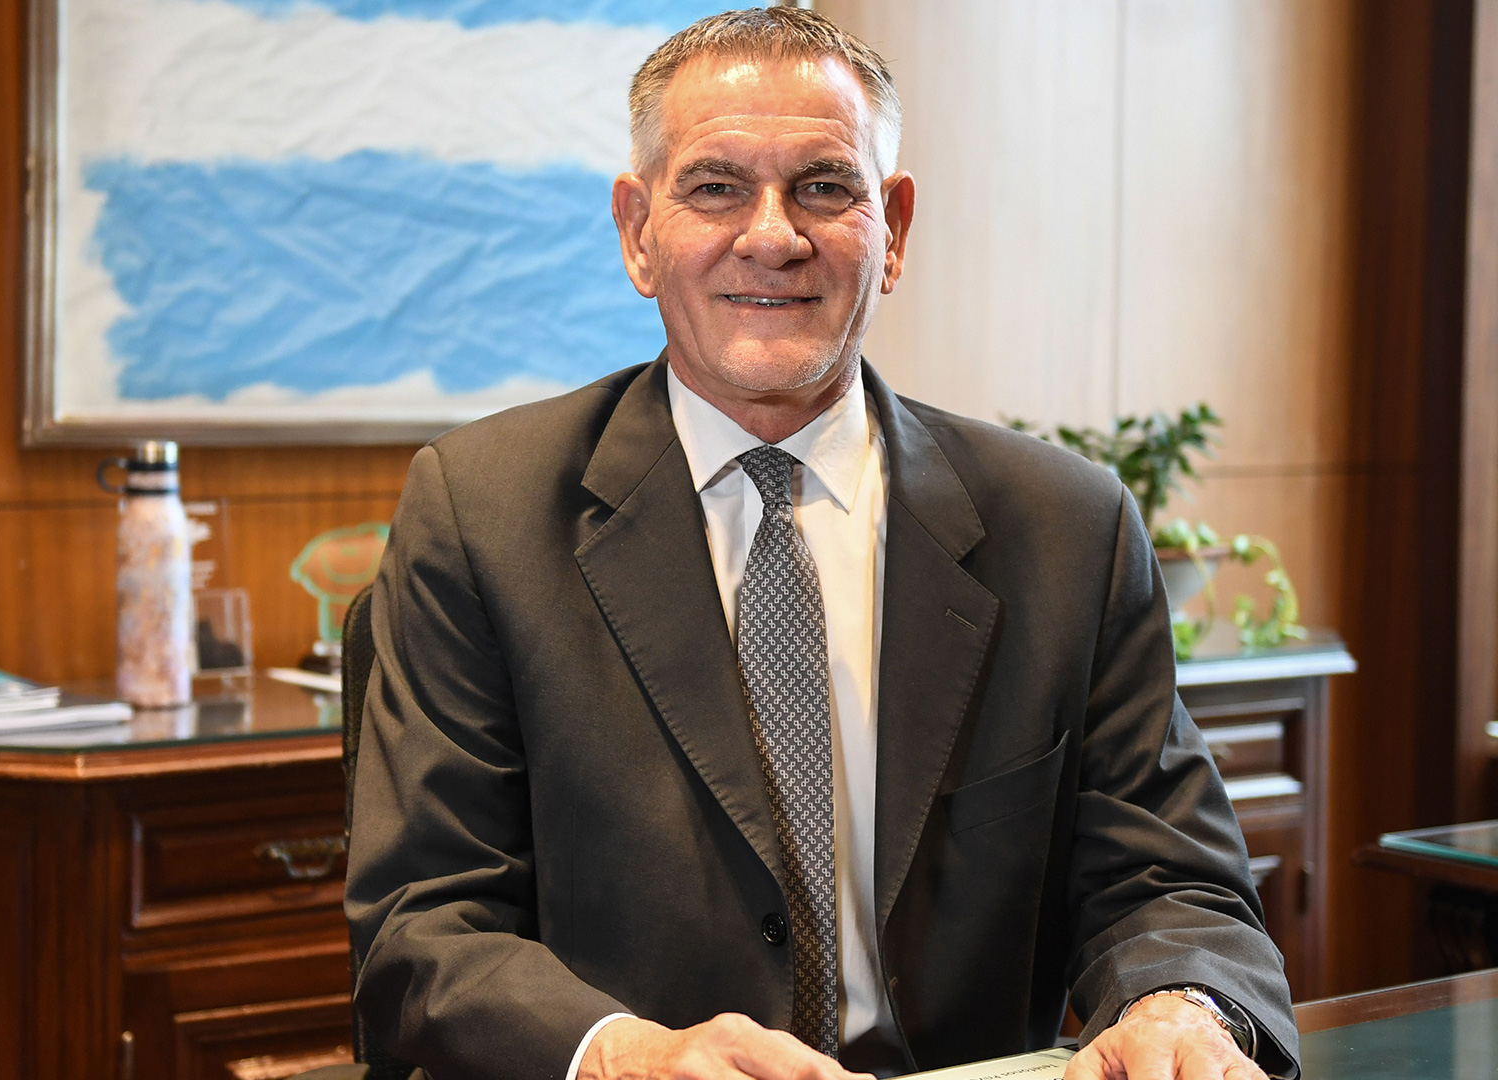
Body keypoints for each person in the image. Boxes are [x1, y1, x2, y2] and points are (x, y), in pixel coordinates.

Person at [343, 8, 1297, 1080]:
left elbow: (1171, 878)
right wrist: (625, 1057)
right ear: (637, 231)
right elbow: (424, 925)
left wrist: (1181, 1005)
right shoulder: (483, 514)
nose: (772, 236)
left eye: (825, 187)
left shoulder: (1065, 528)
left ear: (894, 228)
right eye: (716, 187)